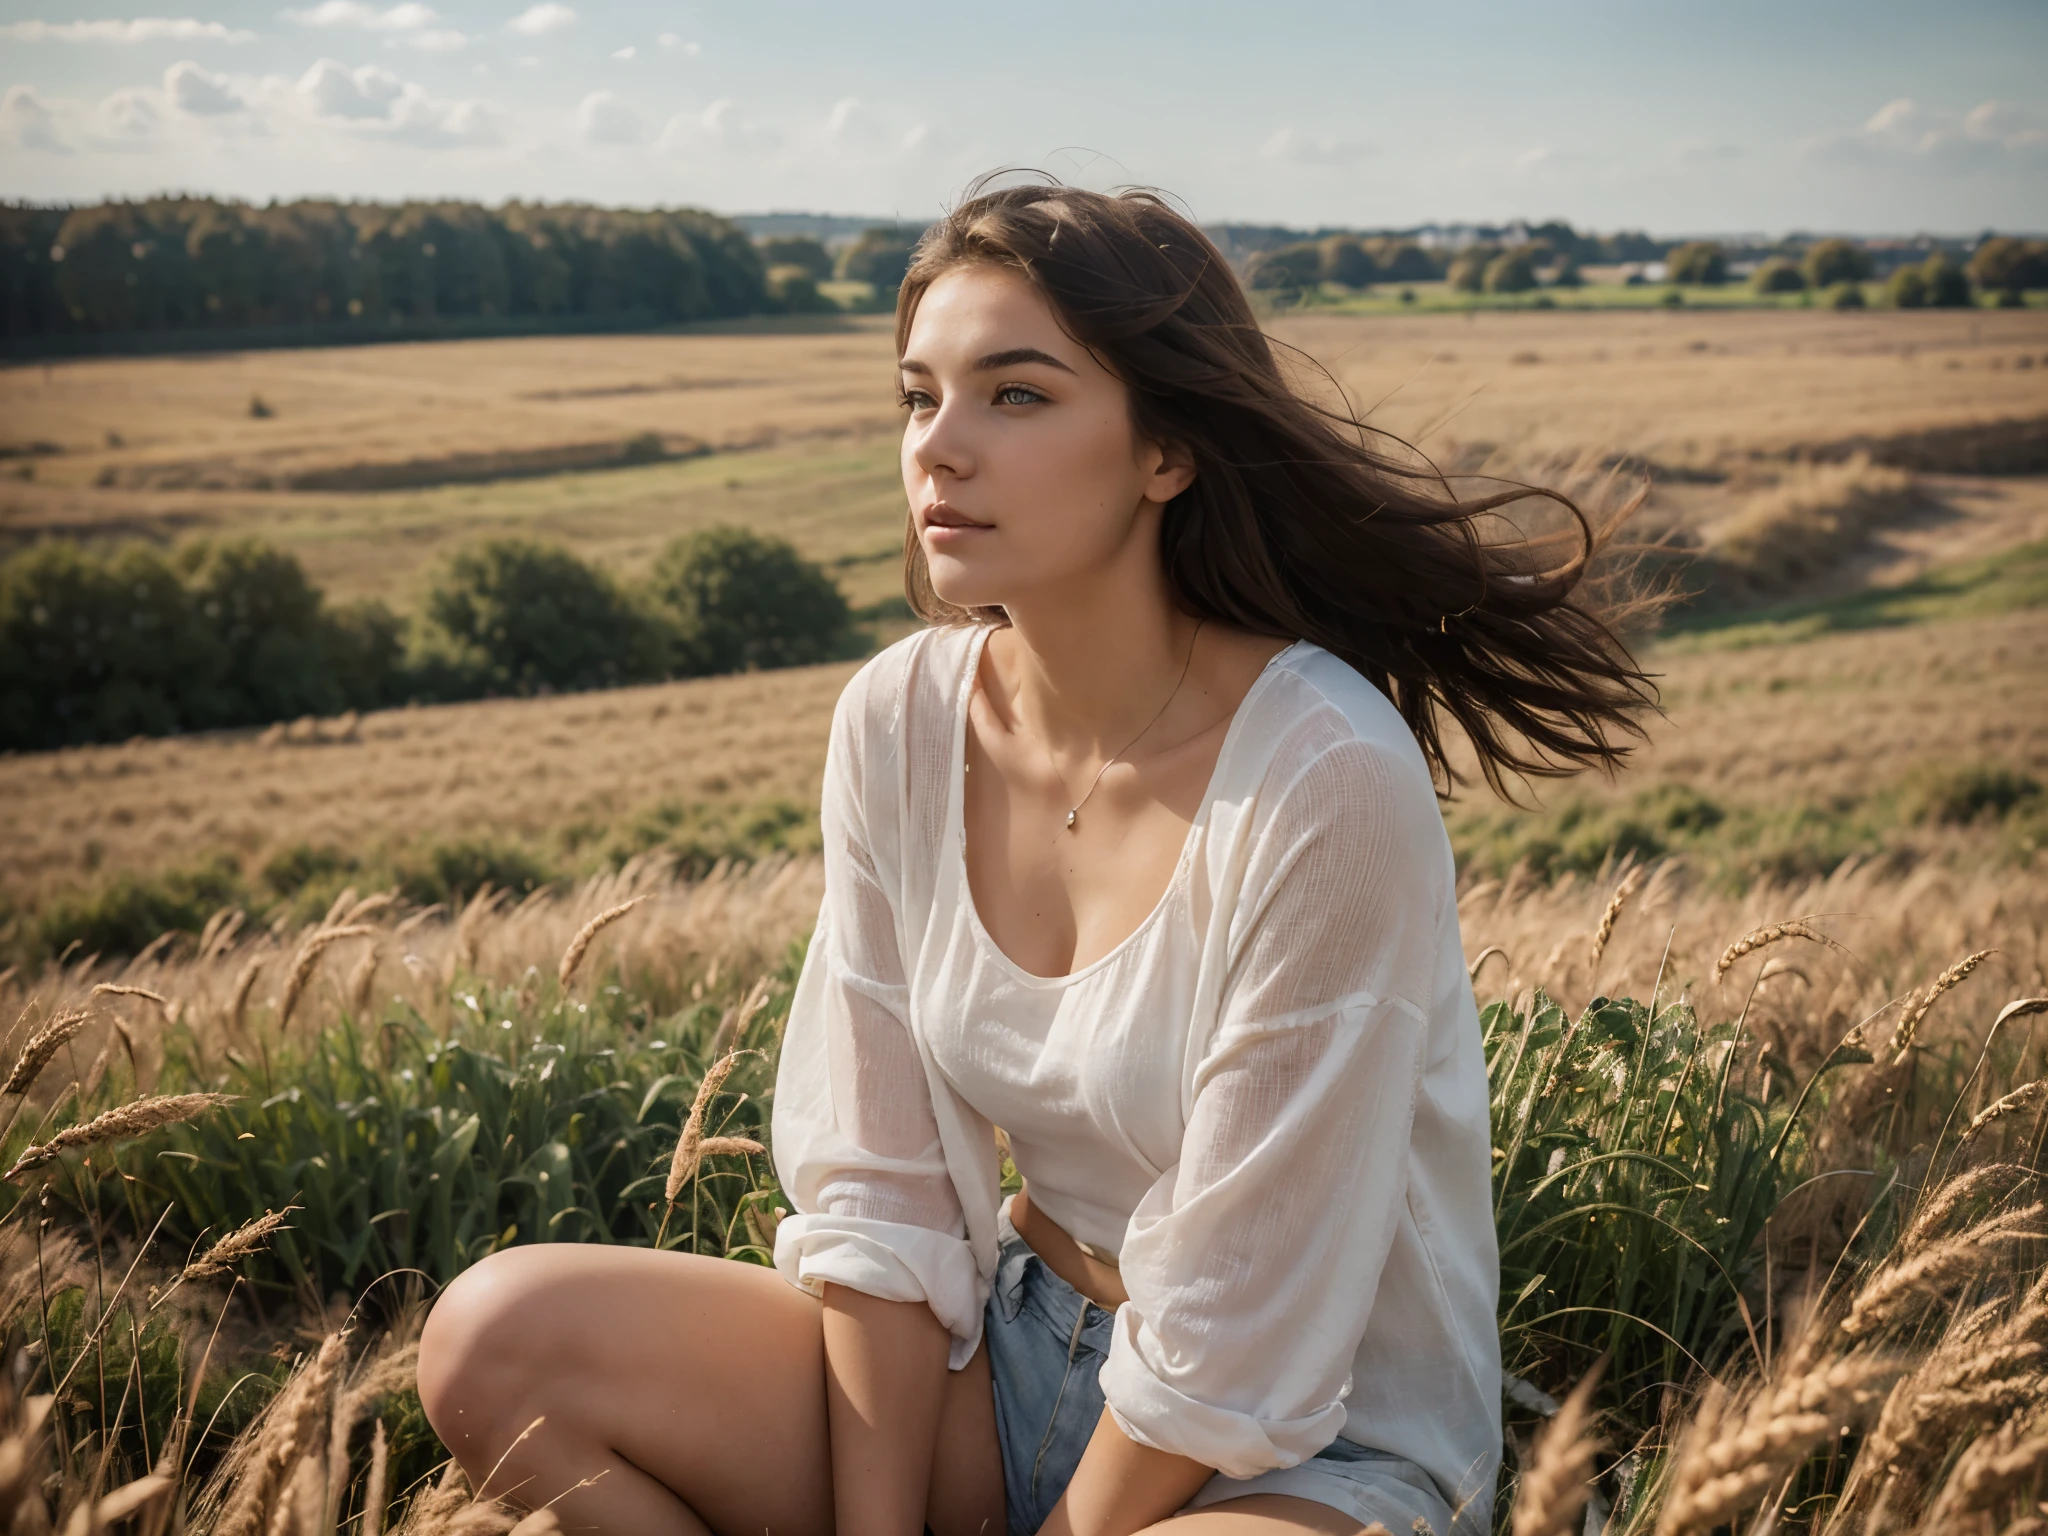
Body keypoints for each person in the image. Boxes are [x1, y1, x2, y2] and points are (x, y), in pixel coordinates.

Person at [417, 177, 1657, 1536]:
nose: (938, 449)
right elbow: (888, 1196)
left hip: (1313, 1441)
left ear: (1165, 451)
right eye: (918, 395)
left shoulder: (1324, 777)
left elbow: (1242, 1321)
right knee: (500, 1342)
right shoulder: (898, 720)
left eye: (1015, 395)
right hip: (1012, 1352)